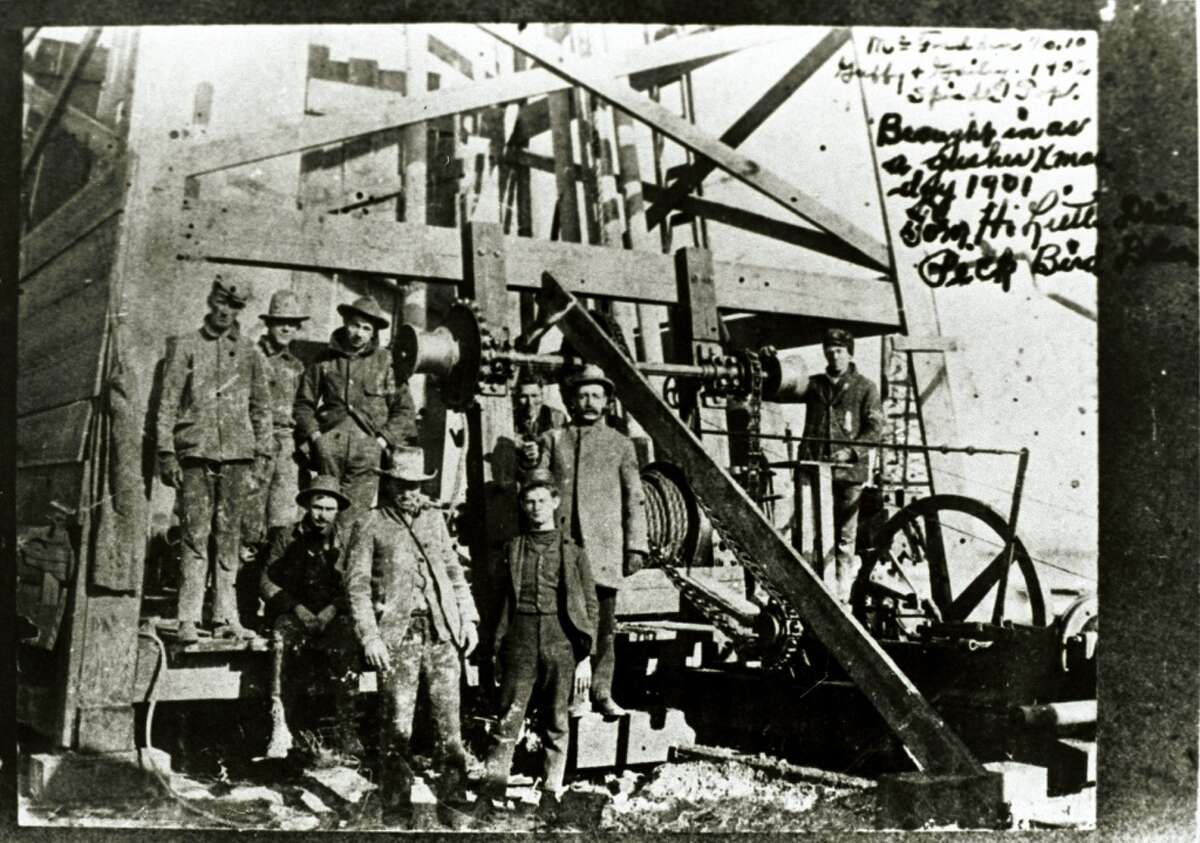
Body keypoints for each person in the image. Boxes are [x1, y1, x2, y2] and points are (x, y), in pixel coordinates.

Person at [342, 446, 479, 827]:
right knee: (397, 729)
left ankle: (452, 803)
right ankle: (396, 811)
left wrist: (468, 620)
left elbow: (453, 572)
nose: (410, 492)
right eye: (402, 485)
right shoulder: (369, 524)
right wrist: (369, 637)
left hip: (441, 632)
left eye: (416, 485)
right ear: (390, 485)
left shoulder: (434, 521)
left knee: (449, 727)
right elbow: (356, 588)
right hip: (397, 637)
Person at [477, 468, 597, 823]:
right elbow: (498, 603)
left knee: (557, 721)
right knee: (508, 718)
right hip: (521, 639)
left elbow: (589, 606)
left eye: (542, 501)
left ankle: (550, 793)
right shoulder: (513, 548)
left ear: (555, 503)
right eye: (529, 501)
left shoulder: (573, 553)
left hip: (561, 640)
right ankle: (491, 792)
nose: (535, 507)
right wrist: (498, 648)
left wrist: (585, 657)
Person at [157, 275, 272, 644]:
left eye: (235, 306)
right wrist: (166, 453)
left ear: (241, 310)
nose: (227, 310)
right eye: (222, 301)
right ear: (211, 300)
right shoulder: (187, 346)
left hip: (237, 458)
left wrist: (262, 460)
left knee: (229, 539)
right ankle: (188, 618)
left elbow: (262, 410)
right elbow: (168, 404)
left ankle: (225, 617)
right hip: (196, 454)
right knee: (194, 537)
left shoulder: (251, 352)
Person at [529, 364, 648, 717]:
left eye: (596, 395)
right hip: (562, 547)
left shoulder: (620, 444)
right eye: (582, 395)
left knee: (604, 627)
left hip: (604, 549)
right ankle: (568, 697)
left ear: (608, 402)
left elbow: (634, 497)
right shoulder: (553, 440)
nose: (589, 401)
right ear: (570, 400)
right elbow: (537, 486)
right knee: (564, 624)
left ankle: (601, 692)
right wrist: (528, 465)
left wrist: (635, 546)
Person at [293, 295, 418, 524]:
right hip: (327, 450)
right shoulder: (324, 360)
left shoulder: (386, 364)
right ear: (345, 323)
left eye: (366, 328)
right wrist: (316, 437)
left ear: (373, 333)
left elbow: (404, 411)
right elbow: (303, 405)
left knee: (354, 519)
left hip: (367, 452)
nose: (358, 333)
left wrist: (381, 442)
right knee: (324, 514)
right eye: (354, 325)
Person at [260, 475, 359, 759]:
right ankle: (280, 726)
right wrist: (296, 609)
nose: (322, 515)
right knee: (282, 646)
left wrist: (331, 610)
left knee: (347, 647)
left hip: (332, 614)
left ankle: (346, 730)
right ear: (307, 506)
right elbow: (267, 581)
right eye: (317, 507)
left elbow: (355, 580)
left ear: (337, 510)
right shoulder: (286, 536)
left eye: (329, 509)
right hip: (295, 613)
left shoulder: (345, 539)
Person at [238, 289, 310, 628]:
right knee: (248, 529)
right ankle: (241, 609)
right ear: (269, 324)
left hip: (286, 447)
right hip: (254, 445)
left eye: (292, 324)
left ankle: (273, 607)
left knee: (281, 528)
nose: (286, 329)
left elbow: (300, 408)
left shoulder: (296, 366)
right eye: (281, 322)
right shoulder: (251, 356)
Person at [797, 327, 883, 604]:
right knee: (810, 532)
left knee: (845, 538)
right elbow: (778, 387)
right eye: (829, 351)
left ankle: (841, 594)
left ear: (849, 353)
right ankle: (815, 591)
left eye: (839, 351)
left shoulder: (865, 387)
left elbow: (875, 428)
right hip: (813, 469)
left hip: (849, 474)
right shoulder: (814, 384)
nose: (834, 356)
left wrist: (852, 452)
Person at [513, 366, 567, 466]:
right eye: (524, 396)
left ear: (542, 396)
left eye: (534, 396)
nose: (530, 402)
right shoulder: (510, 419)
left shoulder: (557, 417)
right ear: (517, 397)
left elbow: (562, 453)